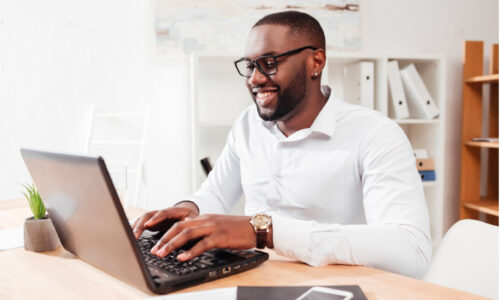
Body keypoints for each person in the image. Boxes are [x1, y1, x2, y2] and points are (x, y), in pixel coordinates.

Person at [132, 10, 432, 278]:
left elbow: (411, 252)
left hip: (331, 285)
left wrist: (265, 231)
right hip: (254, 278)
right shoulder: (248, 124)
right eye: (250, 66)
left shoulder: (375, 135)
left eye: (270, 63)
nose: (255, 79)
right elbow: (216, 194)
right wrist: (189, 210)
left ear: (316, 62)